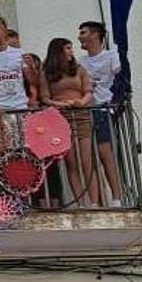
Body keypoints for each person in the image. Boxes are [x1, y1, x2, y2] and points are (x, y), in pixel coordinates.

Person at [40, 38, 98, 207]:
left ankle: (94, 202)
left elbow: (88, 91)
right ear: (58, 51)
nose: (71, 51)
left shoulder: (79, 69)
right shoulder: (47, 71)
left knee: (87, 160)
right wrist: (61, 104)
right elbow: (45, 98)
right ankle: (80, 203)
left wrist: (82, 102)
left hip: (81, 114)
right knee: (71, 162)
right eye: (67, 48)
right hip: (60, 118)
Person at [77, 20, 124, 206]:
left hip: (104, 109)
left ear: (96, 35)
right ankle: (97, 200)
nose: (79, 36)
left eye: (83, 32)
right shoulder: (81, 61)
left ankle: (116, 197)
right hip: (86, 111)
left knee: (106, 154)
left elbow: (121, 79)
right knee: (89, 158)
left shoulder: (112, 56)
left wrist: (116, 102)